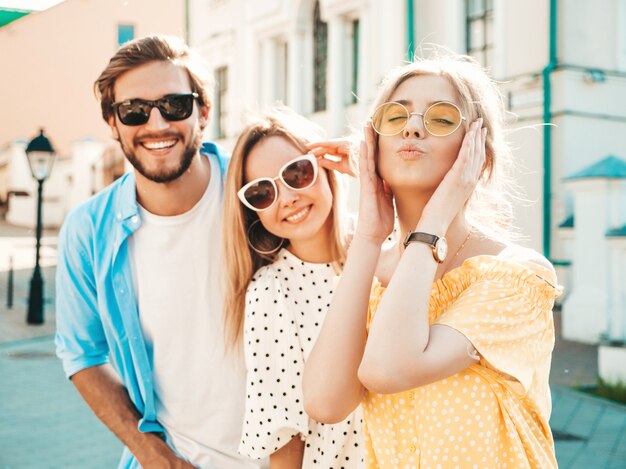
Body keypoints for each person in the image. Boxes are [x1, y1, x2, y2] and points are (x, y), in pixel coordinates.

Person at [303, 53, 562, 468]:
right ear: (372, 147)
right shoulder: (373, 275)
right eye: (394, 117)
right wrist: (369, 237)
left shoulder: (516, 276)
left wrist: (435, 219)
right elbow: (325, 402)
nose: (412, 127)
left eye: (441, 119)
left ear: (479, 154)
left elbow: (388, 370)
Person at [55, 35, 262, 469]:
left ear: (203, 112)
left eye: (175, 105)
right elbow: (81, 355)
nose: (157, 124)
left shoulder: (256, 192)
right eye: (134, 110)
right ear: (113, 123)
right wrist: (154, 455)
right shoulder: (88, 230)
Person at [222, 108, 364, 468]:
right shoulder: (271, 293)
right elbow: (284, 438)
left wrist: (372, 168)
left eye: (297, 173)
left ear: (325, 166)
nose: (286, 198)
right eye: (262, 192)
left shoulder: (385, 245)